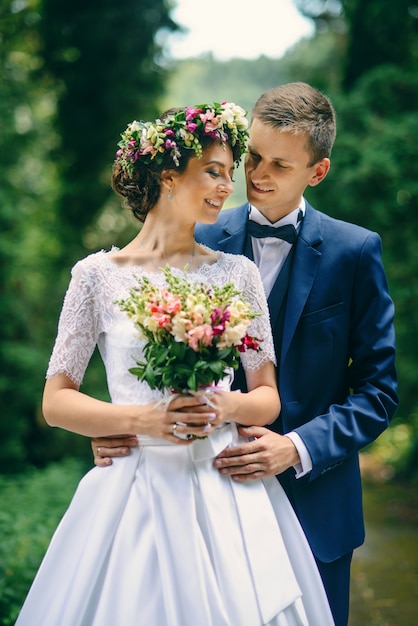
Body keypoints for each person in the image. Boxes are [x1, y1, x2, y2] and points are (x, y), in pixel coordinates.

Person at [16, 101, 335, 626]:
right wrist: (141, 421)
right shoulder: (95, 276)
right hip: (132, 485)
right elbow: (56, 402)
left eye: (229, 174)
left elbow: (266, 396)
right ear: (168, 176)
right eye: (213, 172)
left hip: (226, 484)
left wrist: (222, 405)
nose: (226, 187)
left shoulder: (237, 274)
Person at [92, 83, 399, 626]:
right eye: (252, 155)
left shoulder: (355, 252)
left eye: (279, 164)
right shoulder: (198, 230)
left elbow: (378, 391)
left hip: (315, 505)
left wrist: (297, 448)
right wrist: (125, 427)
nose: (256, 174)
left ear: (317, 172)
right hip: (201, 499)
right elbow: (139, 339)